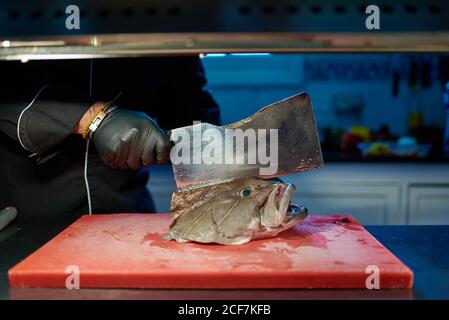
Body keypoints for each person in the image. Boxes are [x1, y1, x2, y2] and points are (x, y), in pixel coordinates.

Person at [0, 57, 220, 227]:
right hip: (25, 220)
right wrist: (93, 118)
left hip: (128, 216)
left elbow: (187, 97)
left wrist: (216, 156)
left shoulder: (160, 17)